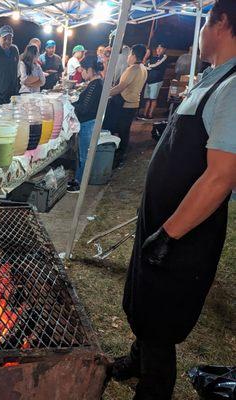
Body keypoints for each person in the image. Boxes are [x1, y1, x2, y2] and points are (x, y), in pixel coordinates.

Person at [112, 1, 236, 399]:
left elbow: (220, 178)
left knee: (161, 318)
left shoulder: (234, 89)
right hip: (161, 219)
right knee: (143, 300)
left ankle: (154, 387)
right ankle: (136, 361)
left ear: (220, 23)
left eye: (205, 24)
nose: (198, 33)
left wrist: (169, 234)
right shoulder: (213, 78)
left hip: (182, 232)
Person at [103, 44, 148, 166]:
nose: (128, 57)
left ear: (133, 55)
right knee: (124, 130)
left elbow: (119, 88)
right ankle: (120, 154)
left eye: (129, 54)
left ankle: (117, 156)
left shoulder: (132, 69)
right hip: (133, 103)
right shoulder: (143, 68)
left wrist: (104, 94)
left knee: (117, 129)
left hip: (125, 104)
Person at [67, 57, 104, 193]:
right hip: (89, 123)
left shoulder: (95, 85)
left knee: (84, 155)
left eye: (82, 70)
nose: (81, 73)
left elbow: (85, 109)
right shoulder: (96, 83)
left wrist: (71, 105)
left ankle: (80, 184)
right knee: (82, 155)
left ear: (89, 70)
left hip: (88, 124)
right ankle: (77, 179)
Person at [140, 43, 169, 120]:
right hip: (149, 81)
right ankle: (144, 114)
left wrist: (149, 66)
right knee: (148, 98)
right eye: (157, 48)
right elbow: (147, 66)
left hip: (157, 81)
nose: (158, 49)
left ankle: (150, 115)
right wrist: (148, 66)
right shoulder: (153, 58)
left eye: (161, 48)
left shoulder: (164, 57)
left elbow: (156, 65)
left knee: (153, 98)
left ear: (164, 49)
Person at [0, 25, 20, 102]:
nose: (7, 41)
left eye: (10, 39)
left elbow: (16, 70)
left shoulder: (14, 50)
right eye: (5, 38)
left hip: (13, 93)